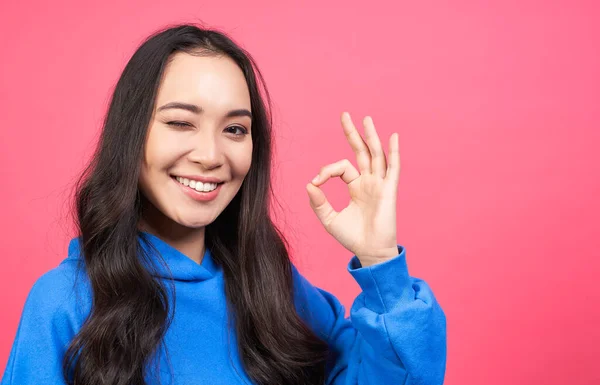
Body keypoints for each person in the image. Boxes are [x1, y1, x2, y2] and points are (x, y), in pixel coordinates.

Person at [1, 24, 446, 385]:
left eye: (235, 129)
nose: (212, 156)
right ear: (131, 135)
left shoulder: (273, 291)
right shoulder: (66, 303)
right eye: (180, 122)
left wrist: (380, 263)